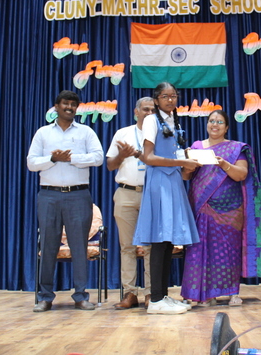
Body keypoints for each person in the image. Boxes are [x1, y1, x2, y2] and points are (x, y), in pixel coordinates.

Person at [27, 90, 104, 312]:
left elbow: (98, 157)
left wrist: (72, 158)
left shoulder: (86, 132)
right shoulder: (43, 133)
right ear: (56, 107)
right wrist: (53, 159)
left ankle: (81, 296)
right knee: (48, 246)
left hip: (78, 195)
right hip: (49, 195)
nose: (69, 107)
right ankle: (45, 297)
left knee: (79, 246)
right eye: (65, 104)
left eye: (73, 104)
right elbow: (31, 163)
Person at [180, 110, 261, 307]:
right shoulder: (197, 147)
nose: (214, 125)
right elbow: (185, 176)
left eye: (219, 122)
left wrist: (224, 164)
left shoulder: (236, 148)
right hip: (201, 206)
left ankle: (232, 292)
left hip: (229, 210)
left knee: (228, 250)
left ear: (226, 127)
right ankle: (204, 295)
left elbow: (241, 175)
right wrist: (188, 165)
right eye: (211, 121)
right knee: (201, 250)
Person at [133, 82, 201, 314]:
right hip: (159, 181)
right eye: (165, 96)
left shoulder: (174, 120)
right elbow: (149, 157)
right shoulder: (151, 121)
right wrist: (181, 162)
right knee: (160, 240)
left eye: (174, 96)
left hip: (173, 181)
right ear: (156, 99)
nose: (170, 100)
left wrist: (188, 164)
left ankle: (162, 296)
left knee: (169, 240)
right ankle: (155, 300)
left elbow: (176, 153)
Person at [106, 97, 155, 310]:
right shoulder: (123, 133)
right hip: (126, 193)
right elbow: (110, 165)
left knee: (151, 247)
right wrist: (121, 156)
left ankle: (151, 293)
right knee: (127, 247)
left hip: (152, 195)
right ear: (136, 112)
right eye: (145, 109)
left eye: (153, 110)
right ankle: (130, 293)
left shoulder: (161, 134)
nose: (149, 113)